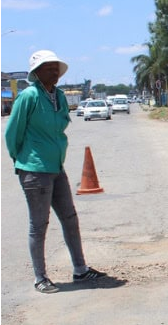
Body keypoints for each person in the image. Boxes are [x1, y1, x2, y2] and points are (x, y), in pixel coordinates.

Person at [4, 50, 107, 294]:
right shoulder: (29, 96)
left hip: (55, 166)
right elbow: (12, 133)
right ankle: (40, 277)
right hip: (33, 168)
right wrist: (21, 160)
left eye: (55, 68)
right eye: (48, 68)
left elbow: (60, 126)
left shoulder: (59, 96)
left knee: (70, 218)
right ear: (36, 73)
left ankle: (80, 269)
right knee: (38, 225)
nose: (54, 72)